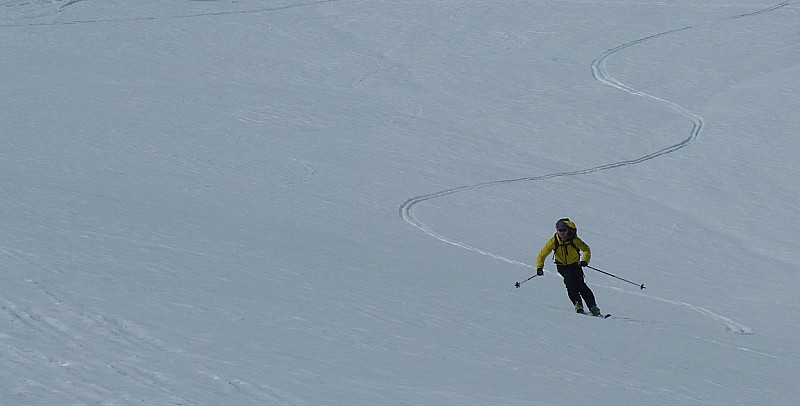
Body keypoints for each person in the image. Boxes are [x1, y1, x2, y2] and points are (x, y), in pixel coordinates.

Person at [536, 218, 601, 316]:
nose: (562, 233)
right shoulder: (554, 241)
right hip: (562, 267)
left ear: (568, 230)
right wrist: (539, 267)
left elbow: (586, 249)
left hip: (575, 265)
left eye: (564, 231)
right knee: (570, 282)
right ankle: (577, 304)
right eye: (560, 231)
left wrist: (584, 261)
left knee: (581, 285)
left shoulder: (574, 240)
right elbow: (542, 254)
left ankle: (593, 307)